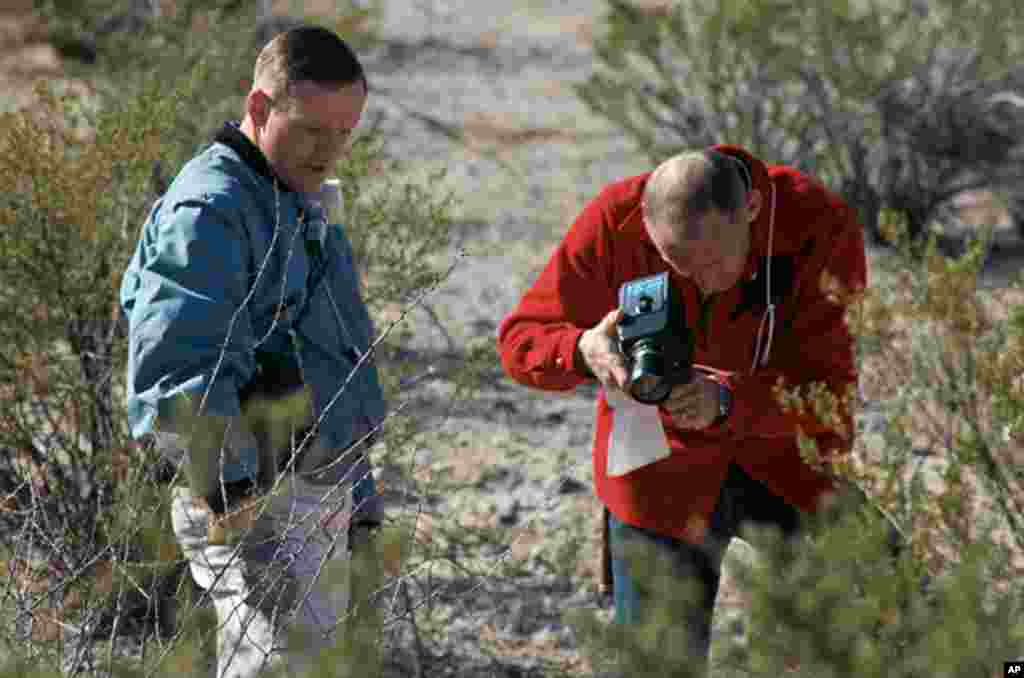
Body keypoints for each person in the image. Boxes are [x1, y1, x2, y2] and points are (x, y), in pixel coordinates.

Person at [497, 146, 869, 671]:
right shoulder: (615, 218)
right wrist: (581, 350)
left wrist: (729, 400)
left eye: (714, 261)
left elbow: (830, 395)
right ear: (647, 228)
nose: (698, 278)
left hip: (782, 456)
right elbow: (520, 340)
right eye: (676, 263)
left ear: (754, 209)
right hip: (658, 470)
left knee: (897, 609)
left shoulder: (818, 224)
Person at [121, 25, 386, 677]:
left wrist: (358, 492)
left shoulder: (294, 197)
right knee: (268, 664)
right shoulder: (211, 209)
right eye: (313, 132)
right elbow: (180, 373)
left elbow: (332, 357)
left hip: (309, 485)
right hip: (248, 492)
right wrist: (233, 493)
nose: (329, 152)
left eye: (343, 133)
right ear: (261, 108)